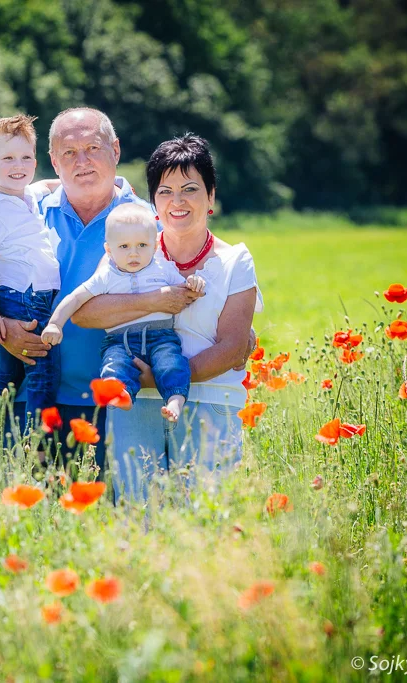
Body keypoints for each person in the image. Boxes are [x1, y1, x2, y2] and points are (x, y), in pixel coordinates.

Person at [0, 107, 163, 472]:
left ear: (115, 151)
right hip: (31, 399)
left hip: (118, 403)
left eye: (93, 148)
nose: (82, 161)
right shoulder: (27, 207)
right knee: (28, 519)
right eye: (69, 152)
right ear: (54, 161)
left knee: (106, 517)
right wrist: (5, 330)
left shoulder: (148, 222)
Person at [72, 134, 263, 500]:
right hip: (135, 405)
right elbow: (85, 312)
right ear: (153, 202)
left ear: (211, 196)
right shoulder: (130, 249)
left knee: (206, 517)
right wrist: (157, 300)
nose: (177, 201)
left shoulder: (236, 260)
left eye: (190, 189)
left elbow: (234, 345)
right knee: (138, 511)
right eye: (165, 191)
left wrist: (163, 379)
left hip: (211, 401)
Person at [41, 203, 205, 422]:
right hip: (120, 340)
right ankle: (122, 393)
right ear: (109, 250)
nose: (134, 253)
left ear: (155, 246)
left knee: (171, 362)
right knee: (114, 363)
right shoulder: (106, 275)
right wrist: (55, 324)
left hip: (161, 336)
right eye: (124, 246)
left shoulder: (162, 267)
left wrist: (194, 283)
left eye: (142, 245)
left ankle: (175, 399)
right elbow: (76, 298)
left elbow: (185, 291)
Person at [0, 114, 61, 439]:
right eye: (7, 158)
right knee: (43, 374)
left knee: (6, 376)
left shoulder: (26, 194)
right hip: (22, 300)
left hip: (34, 297)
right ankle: (37, 449)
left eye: (26, 157)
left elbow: (48, 184)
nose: (18, 165)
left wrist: (109, 181)